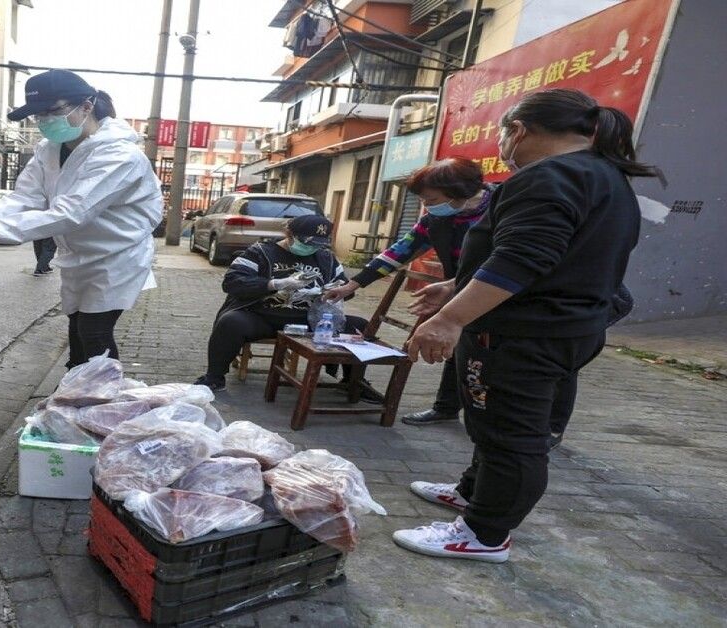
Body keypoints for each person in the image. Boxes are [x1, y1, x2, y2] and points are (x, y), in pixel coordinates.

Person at [391, 88, 662, 563]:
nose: (501, 142)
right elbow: (551, 254)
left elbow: (523, 258)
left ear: (517, 129)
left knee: (511, 436)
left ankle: (483, 534)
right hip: (564, 327)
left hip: (523, 336)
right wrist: (455, 285)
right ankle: (473, 493)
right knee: (493, 424)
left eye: (502, 132)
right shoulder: (602, 175)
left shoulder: (548, 177)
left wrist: (450, 319)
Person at [0, 70, 162, 367]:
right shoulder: (49, 150)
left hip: (116, 258)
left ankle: (103, 399)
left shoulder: (120, 156)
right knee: (77, 329)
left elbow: (72, 212)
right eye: (39, 115)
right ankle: (74, 392)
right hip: (77, 257)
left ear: (87, 106)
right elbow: (25, 198)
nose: (45, 121)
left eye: (53, 111)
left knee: (95, 333)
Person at [324, 158, 493, 426]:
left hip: (498, 290)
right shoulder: (437, 218)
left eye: (431, 199)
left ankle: (530, 423)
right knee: (458, 346)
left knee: (490, 355)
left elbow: (509, 260)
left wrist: (454, 286)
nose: (426, 206)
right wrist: (353, 284)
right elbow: (400, 251)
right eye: (423, 200)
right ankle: (447, 407)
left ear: (459, 191)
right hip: (457, 288)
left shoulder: (503, 208)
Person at [193, 215, 376, 398]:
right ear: (289, 234)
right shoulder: (259, 252)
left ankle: (354, 381)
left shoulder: (325, 258)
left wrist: (331, 290)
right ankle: (214, 377)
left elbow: (346, 290)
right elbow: (232, 283)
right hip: (263, 317)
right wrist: (275, 285)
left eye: (317, 244)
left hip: (310, 320)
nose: (311, 248)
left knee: (359, 325)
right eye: (307, 242)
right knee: (230, 322)